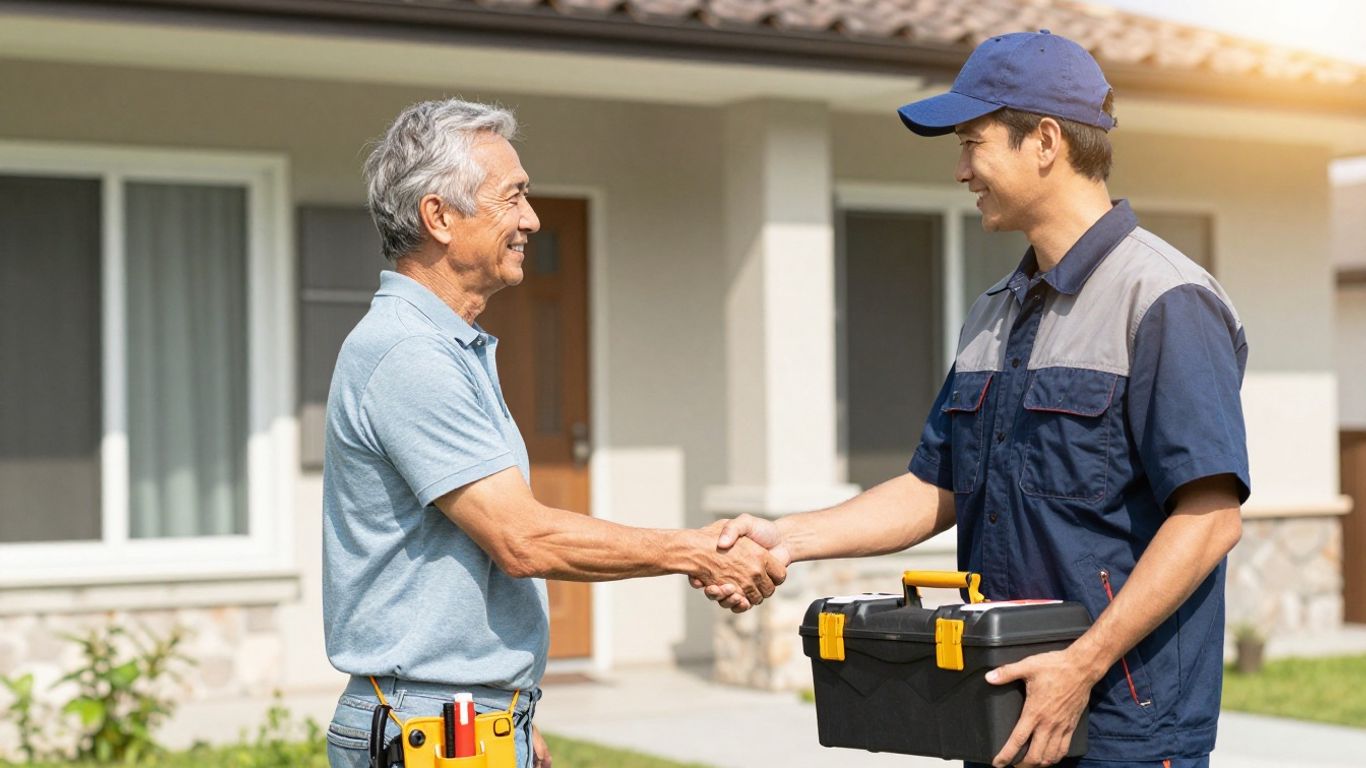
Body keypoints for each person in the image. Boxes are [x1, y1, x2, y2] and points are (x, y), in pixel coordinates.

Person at [700, 31, 1249, 768]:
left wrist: (1079, 668)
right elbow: (938, 485)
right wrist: (788, 538)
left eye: (973, 142)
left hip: (1121, 725)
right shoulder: (996, 310)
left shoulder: (1164, 300)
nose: (961, 170)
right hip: (994, 708)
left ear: (1046, 141)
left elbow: (1209, 521)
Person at [322, 98, 787, 768]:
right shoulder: (409, 355)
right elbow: (521, 538)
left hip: (466, 718)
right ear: (439, 217)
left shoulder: (451, 347)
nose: (531, 219)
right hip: (428, 730)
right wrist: (697, 551)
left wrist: (511, 706)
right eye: (513, 197)